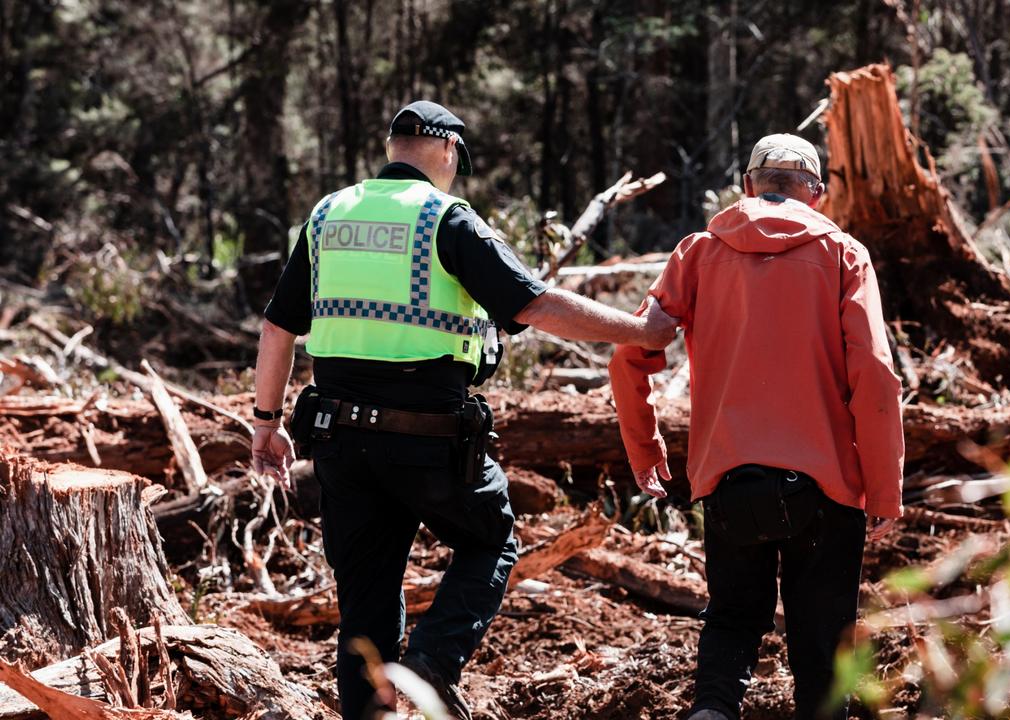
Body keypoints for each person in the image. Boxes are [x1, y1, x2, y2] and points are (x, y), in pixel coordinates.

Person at [249, 100, 677, 720]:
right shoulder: (446, 218)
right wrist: (641, 332)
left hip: (339, 440)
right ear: (447, 150)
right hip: (429, 439)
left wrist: (266, 425)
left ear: (394, 148)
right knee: (492, 540)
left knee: (364, 608)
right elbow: (538, 306)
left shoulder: (329, 215)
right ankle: (431, 664)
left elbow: (276, 328)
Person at [609, 133, 905, 720]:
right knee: (822, 657)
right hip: (827, 490)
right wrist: (883, 487)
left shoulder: (696, 252)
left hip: (726, 482)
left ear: (747, 186)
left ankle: (712, 711)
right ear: (816, 194)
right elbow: (874, 374)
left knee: (732, 623)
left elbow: (630, 351)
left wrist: (646, 452)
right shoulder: (845, 255)